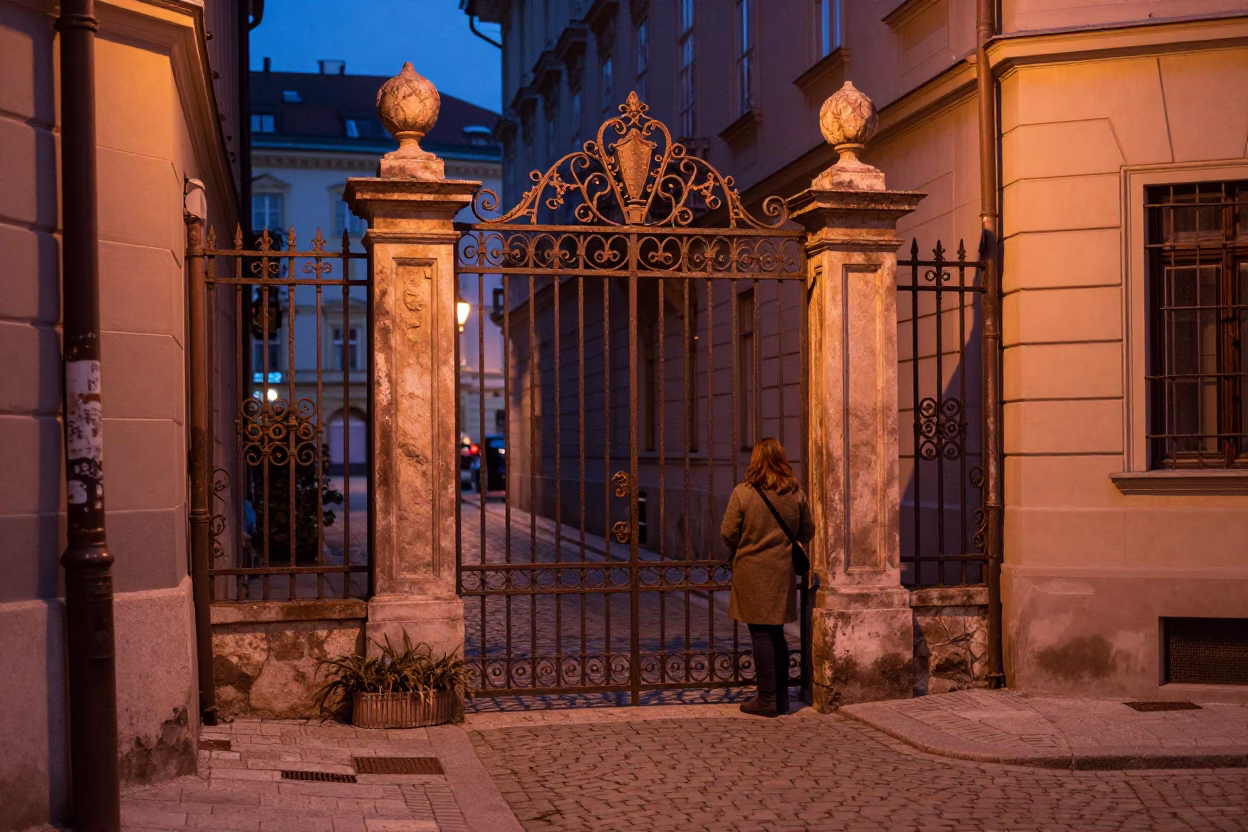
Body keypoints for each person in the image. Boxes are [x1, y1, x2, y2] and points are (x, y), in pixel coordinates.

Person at [720, 438, 815, 717]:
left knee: (760, 634)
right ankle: (781, 698)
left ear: (756, 460)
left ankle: (766, 699)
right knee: (776, 634)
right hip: (781, 572)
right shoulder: (794, 492)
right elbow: (806, 532)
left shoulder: (743, 493)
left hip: (751, 571)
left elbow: (728, 532)